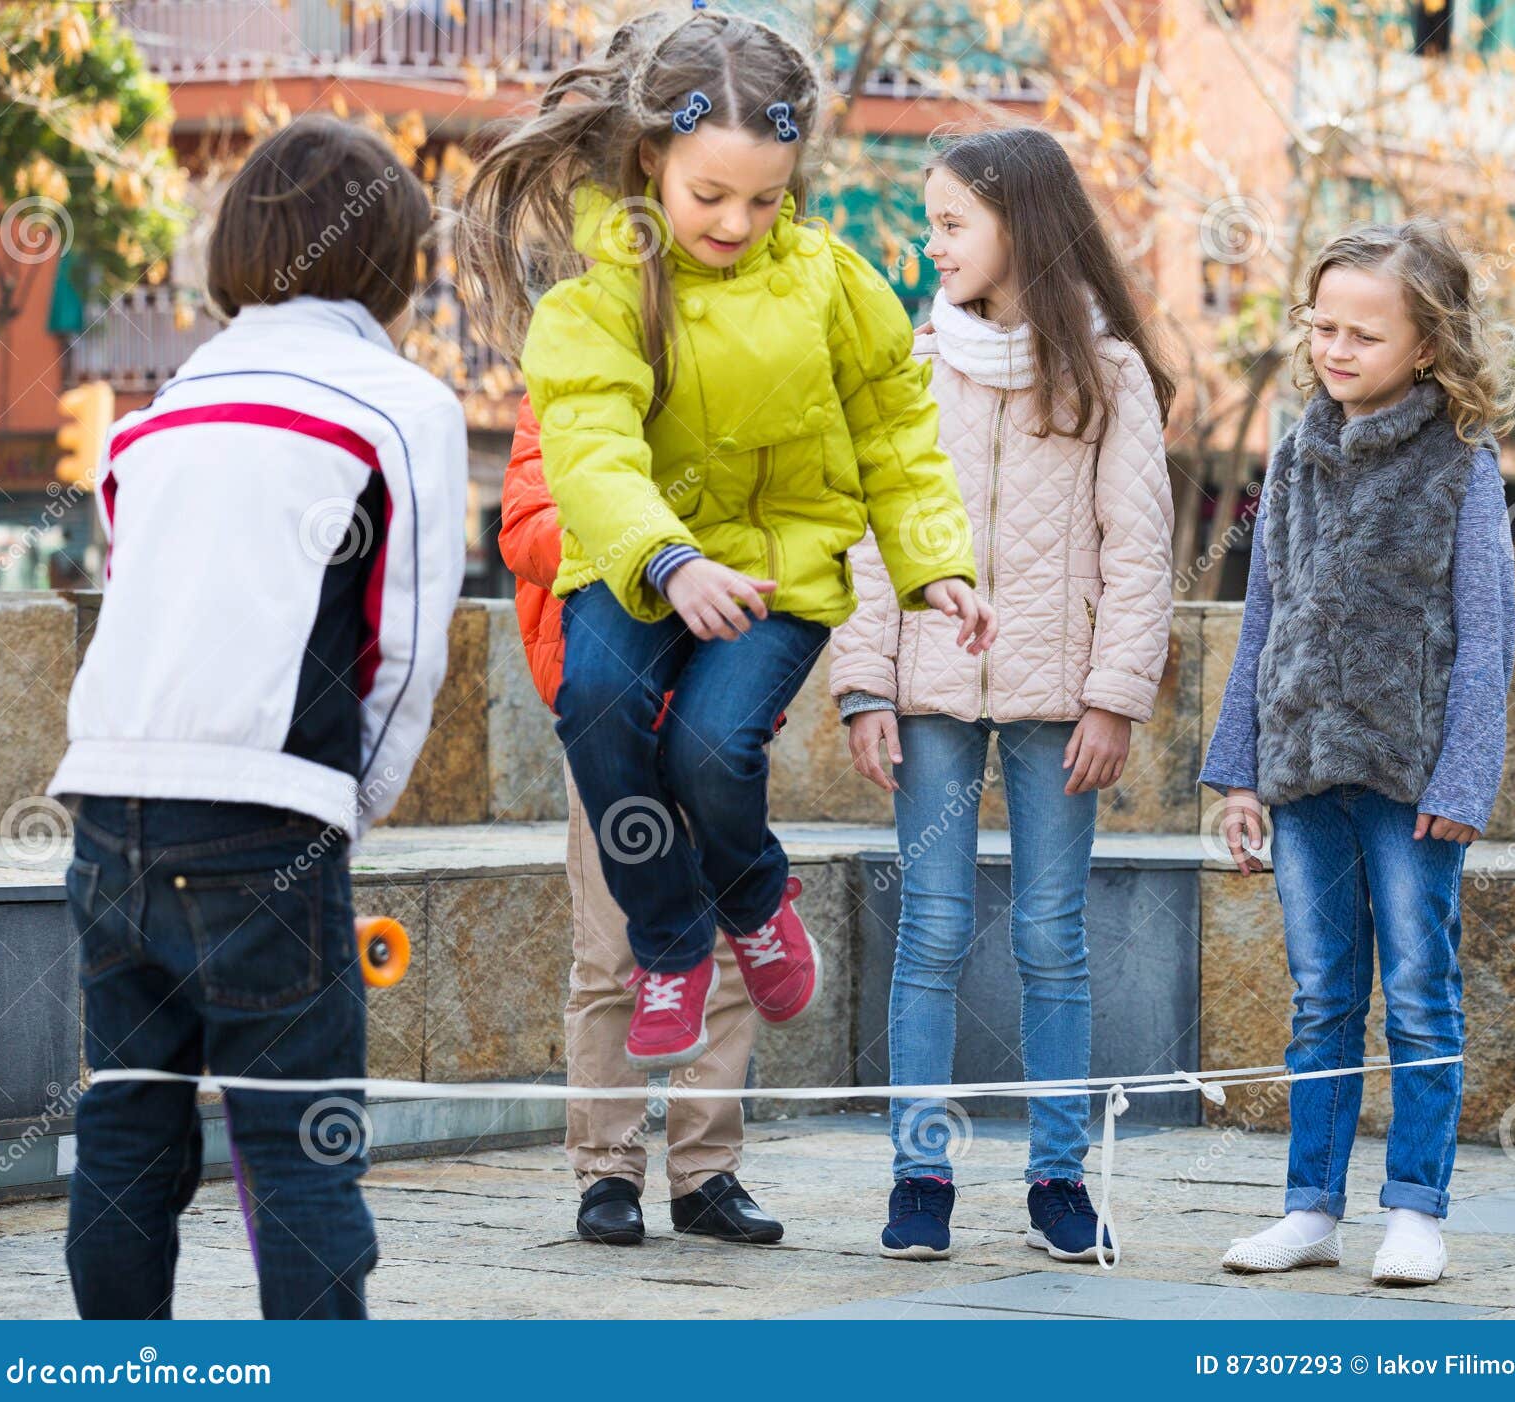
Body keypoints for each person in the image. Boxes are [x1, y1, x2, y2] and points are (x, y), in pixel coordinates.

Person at [458, 3, 994, 1071]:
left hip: (777, 563)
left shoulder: (831, 286)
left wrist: (933, 560)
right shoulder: (595, 299)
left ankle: (754, 898)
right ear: (648, 158)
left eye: (765, 198)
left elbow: (894, 433)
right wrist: (667, 559)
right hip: (644, 557)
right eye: (708, 195)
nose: (737, 222)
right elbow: (593, 455)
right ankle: (670, 942)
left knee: (709, 748)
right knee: (597, 705)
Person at [50, 115, 470, 1319]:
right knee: (298, 1138)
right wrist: (355, 804)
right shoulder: (398, 406)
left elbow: (149, 605)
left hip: (108, 801)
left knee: (127, 1121)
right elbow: (405, 643)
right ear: (395, 258)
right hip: (267, 816)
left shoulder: (157, 417)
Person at [830, 127, 1176, 1263]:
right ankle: (919, 1175)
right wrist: (864, 684)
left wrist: (1113, 695)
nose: (931, 246)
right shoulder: (914, 368)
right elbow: (875, 543)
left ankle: (1058, 1180)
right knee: (927, 931)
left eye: (949, 224)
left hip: (1055, 700)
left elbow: (1138, 553)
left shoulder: (1110, 373)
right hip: (930, 693)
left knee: (1049, 938)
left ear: (1017, 224)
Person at [1201, 218, 1515, 1287]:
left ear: (1426, 346)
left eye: (1363, 334)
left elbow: (1486, 633)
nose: (1334, 349)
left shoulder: (1460, 462)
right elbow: (1262, 615)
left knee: (1421, 987)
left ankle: (1416, 1207)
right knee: (1318, 992)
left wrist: (1466, 774)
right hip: (1299, 770)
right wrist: (1237, 769)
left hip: (1412, 774)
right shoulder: (1294, 448)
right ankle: (1309, 1207)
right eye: (1321, 326)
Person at [500, 394, 784, 1245]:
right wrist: (650, 547)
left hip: (717, 719)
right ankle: (606, 1171)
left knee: (730, 951)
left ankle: (706, 1175)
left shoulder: (745, 380)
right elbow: (525, 529)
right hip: (608, 729)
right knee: (612, 951)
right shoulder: (562, 388)